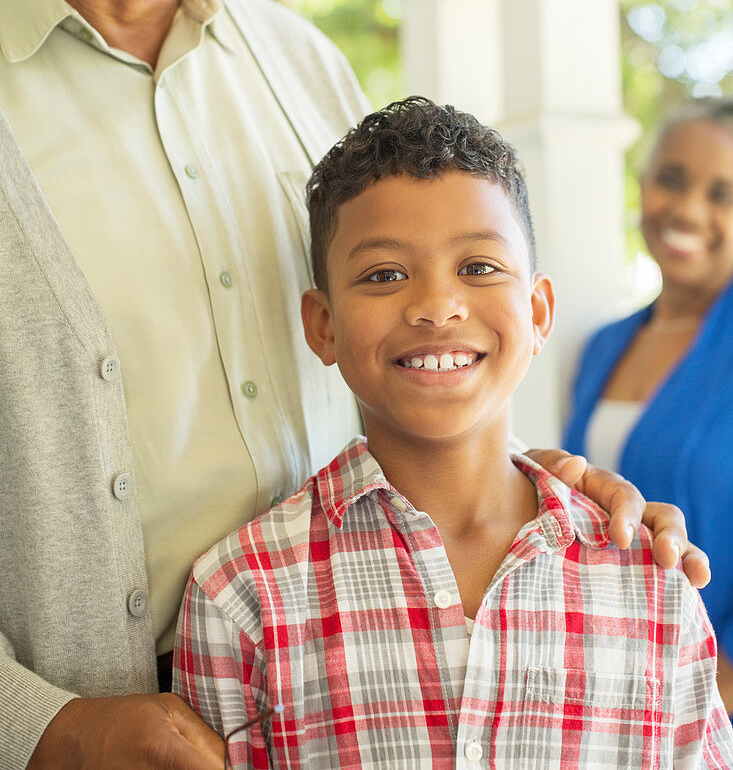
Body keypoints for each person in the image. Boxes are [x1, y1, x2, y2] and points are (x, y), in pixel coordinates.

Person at [0, 0, 709, 767]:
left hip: (340, 691)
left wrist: (526, 493)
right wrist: (39, 725)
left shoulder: (303, 71)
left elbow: (411, 328)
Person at [173, 97, 733, 768]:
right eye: (384, 275)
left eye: (477, 267)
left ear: (536, 313)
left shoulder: (648, 584)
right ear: (322, 325)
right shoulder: (240, 592)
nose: (437, 306)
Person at [565, 97, 733, 711]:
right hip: (610, 690)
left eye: (723, 194)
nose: (688, 209)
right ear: (642, 186)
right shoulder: (602, 346)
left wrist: (705, 699)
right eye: (672, 180)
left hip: (707, 707)